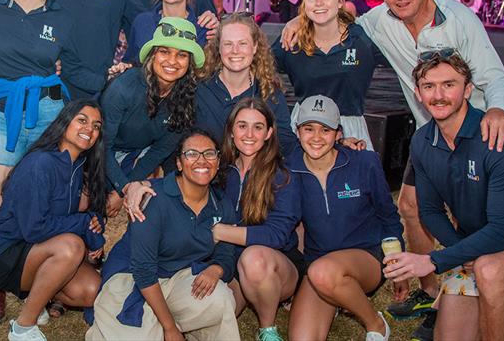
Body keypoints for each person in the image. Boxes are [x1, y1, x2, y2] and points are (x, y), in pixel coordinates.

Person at [279, 0, 504, 340]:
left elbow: (494, 74)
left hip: (479, 130)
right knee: (409, 207)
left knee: (471, 216)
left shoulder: (459, 19)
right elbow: (336, 17)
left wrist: (498, 110)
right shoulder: (378, 21)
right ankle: (430, 293)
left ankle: (486, 289)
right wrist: (298, 17)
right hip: (430, 133)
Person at [384, 52, 504, 341]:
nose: (438, 95)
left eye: (449, 85)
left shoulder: (497, 135)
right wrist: (460, 251)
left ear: (467, 89)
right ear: (417, 93)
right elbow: (429, 211)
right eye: (429, 86)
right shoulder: (422, 140)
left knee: (489, 270)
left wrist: (437, 260)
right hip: (472, 241)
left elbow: (503, 230)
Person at [0, 0, 72, 319]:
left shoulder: (61, 17)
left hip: (50, 114)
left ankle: (43, 285)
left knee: (45, 203)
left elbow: (74, 63)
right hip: (2, 114)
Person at [86, 129, 239, 341]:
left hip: (177, 278)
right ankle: (160, 323)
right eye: (192, 154)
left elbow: (226, 251)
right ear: (178, 163)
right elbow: (143, 270)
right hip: (132, 279)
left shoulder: (221, 203)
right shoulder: (152, 197)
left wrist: (217, 268)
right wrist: (170, 329)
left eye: (209, 153)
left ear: (218, 160)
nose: (201, 160)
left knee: (221, 298)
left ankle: (163, 321)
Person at [0, 100, 108, 341]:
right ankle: (23, 327)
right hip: (5, 252)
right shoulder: (41, 162)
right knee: (71, 246)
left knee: (91, 291)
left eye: (96, 126)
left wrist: (93, 235)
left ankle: (41, 291)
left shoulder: (78, 165)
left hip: (38, 250)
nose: (89, 129)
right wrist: (82, 225)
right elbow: (34, 229)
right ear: (64, 122)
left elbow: (64, 219)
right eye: (82, 120)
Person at [286, 95, 404, 341]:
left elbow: (388, 216)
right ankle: (338, 297)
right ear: (297, 131)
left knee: (323, 272)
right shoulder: (287, 170)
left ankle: (376, 324)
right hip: (318, 264)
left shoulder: (364, 162)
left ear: (338, 133)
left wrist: (396, 265)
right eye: (309, 129)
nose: (316, 137)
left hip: (365, 260)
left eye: (325, 130)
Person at [216, 98, 302, 341]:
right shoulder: (219, 172)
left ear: (269, 133)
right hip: (230, 265)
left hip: (275, 266)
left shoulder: (283, 176)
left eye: (258, 127)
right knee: (213, 315)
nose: (249, 134)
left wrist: (220, 231)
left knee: (252, 257)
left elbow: (275, 236)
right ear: (231, 131)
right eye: (242, 126)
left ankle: (267, 329)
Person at [100, 17, 202, 217]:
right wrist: (125, 186)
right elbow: (103, 145)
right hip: (106, 151)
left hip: (142, 154)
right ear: (152, 55)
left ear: (189, 62)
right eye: (164, 51)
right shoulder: (123, 89)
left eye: (181, 55)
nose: (172, 61)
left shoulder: (187, 96)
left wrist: (130, 186)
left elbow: (162, 149)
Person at [272, 0, 385, 148]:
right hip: (305, 130)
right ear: (304, 4)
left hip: (350, 132)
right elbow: (260, 67)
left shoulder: (361, 39)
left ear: (340, 2)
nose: (319, 3)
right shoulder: (293, 40)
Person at [196, 12, 297, 154]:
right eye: (228, 44)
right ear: (218, 47)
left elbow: (285, 142)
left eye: (242, 43)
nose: (235, 51)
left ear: (255, 47)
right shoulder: (200, 89)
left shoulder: (268, 92)